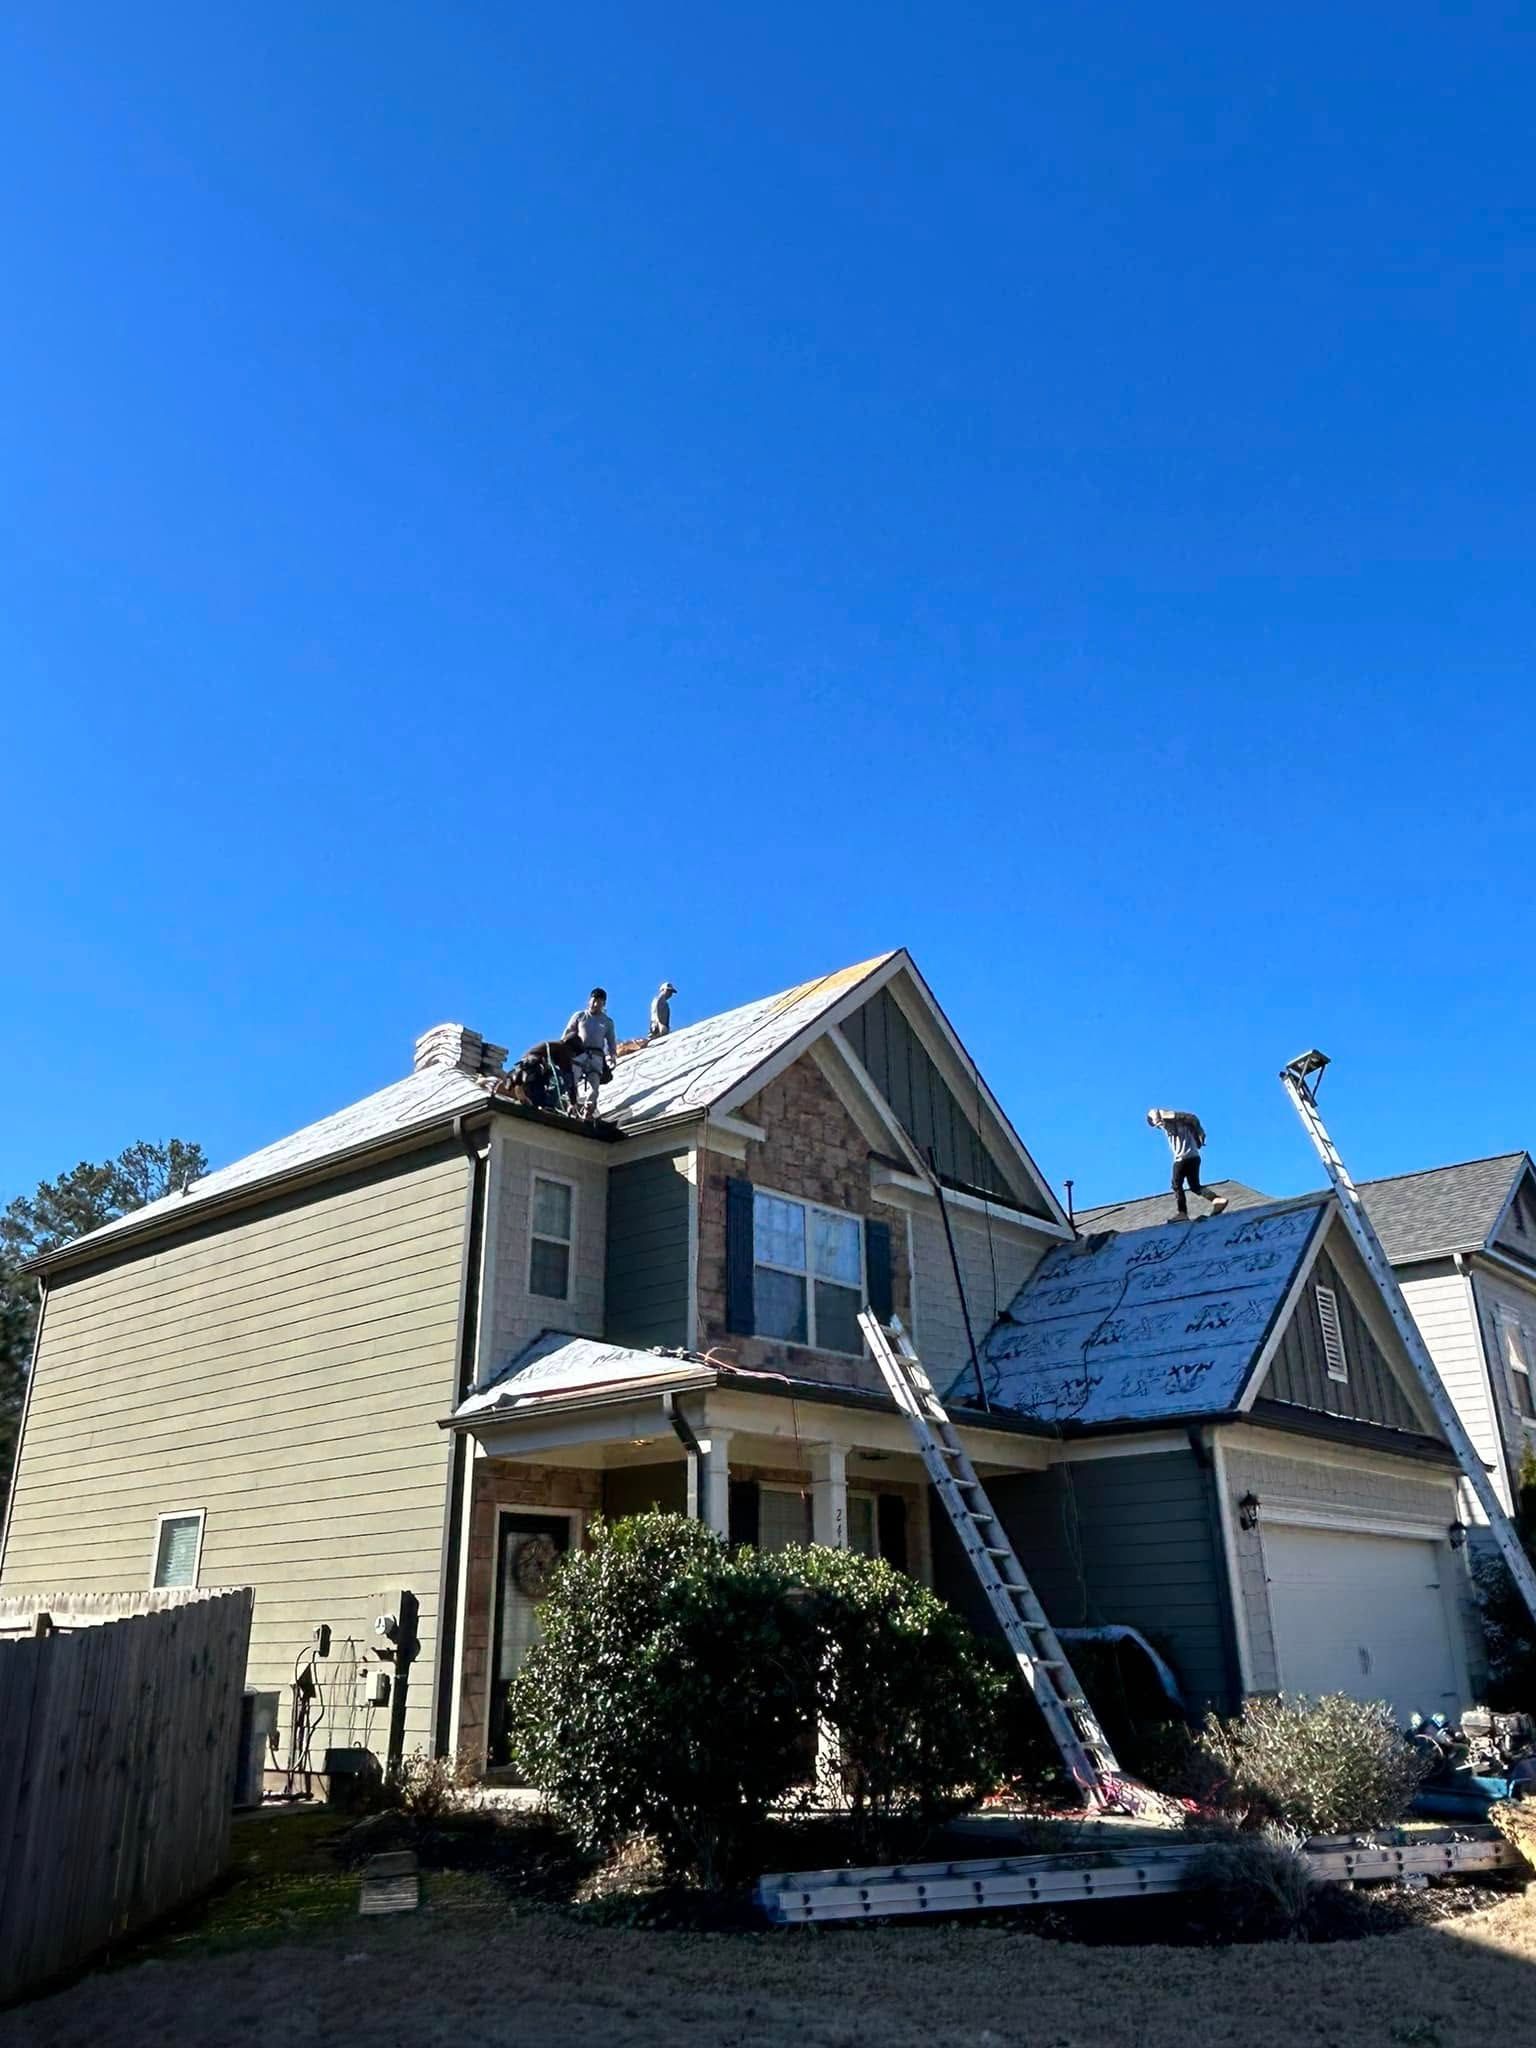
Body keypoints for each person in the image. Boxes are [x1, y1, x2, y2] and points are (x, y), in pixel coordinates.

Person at [1146, 1108, 1229, 1220]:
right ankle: (1216, 1200)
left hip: (1182, 1159)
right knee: (1195, 1186)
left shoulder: (1169, 1124)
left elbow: (1155, 1112)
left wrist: (1158, 1119)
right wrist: (1201, 1133)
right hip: (1195, 1158)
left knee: (1176, 1184)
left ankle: (1182, 1213)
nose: (1159, 1128)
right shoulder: (1187, 1124)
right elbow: (1192, 1118)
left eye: (1157, 1126)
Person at [563, 988, 617, 1119]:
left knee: (594, 1085)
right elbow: (567, 1033)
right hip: (579, 1053)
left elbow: (611, 1040)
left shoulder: (607, 1022)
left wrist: (612, 1056)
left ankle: (589, 1108)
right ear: (589, 1001)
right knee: (573, 1079)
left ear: (604, 1004)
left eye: (599, 1002)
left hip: (596, 1056)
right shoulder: (580, 1016)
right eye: (594, 1001)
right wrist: (563, 1049)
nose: (595, 1004)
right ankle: (572, 1105)